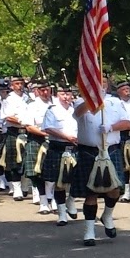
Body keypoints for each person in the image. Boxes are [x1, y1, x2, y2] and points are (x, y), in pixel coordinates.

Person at [70, 85, 130, 247]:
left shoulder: (115, 102)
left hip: (111, 150)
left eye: (102, 83)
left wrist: (111, 128)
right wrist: (93, 99)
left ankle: (107, 215)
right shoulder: (80, 102)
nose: (100, 86)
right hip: (89, 151)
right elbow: (77, 114)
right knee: (91, 193)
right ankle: (89, 232)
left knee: (115, 189)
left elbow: (126, 122)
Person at [40, 86, 78, 226]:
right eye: (63, 94)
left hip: (76, 148)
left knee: (78, 180)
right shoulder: (52, 110)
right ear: (57, 95)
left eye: (68, 94)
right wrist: (67, 137)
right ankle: (62, 214)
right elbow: (48, 128)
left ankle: (71, 201)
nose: (66, 97)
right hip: (58, 148)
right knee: (59, 183)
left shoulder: (77, 109)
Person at [21, 80, 54, 211]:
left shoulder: (56, 104)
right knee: (37, 173)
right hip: (37, 140)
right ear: (37, 91)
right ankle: (43, 201)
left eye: (47, 90)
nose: (45, 93)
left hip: (56, 140)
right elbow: (29, 126)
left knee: (55, 171)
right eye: (42, 90)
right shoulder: (32, 106)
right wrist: (44, 134)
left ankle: (52, 197)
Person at [0, 76, 28, 201]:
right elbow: (7, 117)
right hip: (14, 132)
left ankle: (25, 186)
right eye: (16, 84)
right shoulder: (8, 100)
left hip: (28, 131)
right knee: (15, 161)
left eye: (21, 83)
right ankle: (16, 189)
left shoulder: (28, 98)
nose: (19, 86)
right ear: (12, 85)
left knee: (27, 160)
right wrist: (22, 121)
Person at [113, 81, 130, 204]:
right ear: (119, 91)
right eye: (124, 89)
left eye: (128, 88)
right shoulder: (116, 104)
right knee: (125, 165)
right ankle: (126, 192)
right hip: (123, 134)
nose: (127, 91)